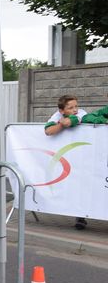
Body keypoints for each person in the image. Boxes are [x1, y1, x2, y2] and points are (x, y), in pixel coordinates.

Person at [44, 94, 88, 230]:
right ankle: (73, 213)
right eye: (71, 107)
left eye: (76, 106)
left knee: (84, 186)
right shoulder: (56, 115)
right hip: (67, 158)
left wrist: (65, 122)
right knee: (71, 185)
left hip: (84, 157)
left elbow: (71, 121)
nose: (75, 109)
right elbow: (48, 131)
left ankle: (82, 216)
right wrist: (61, 124)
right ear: (61, 111)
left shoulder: (82, 113)